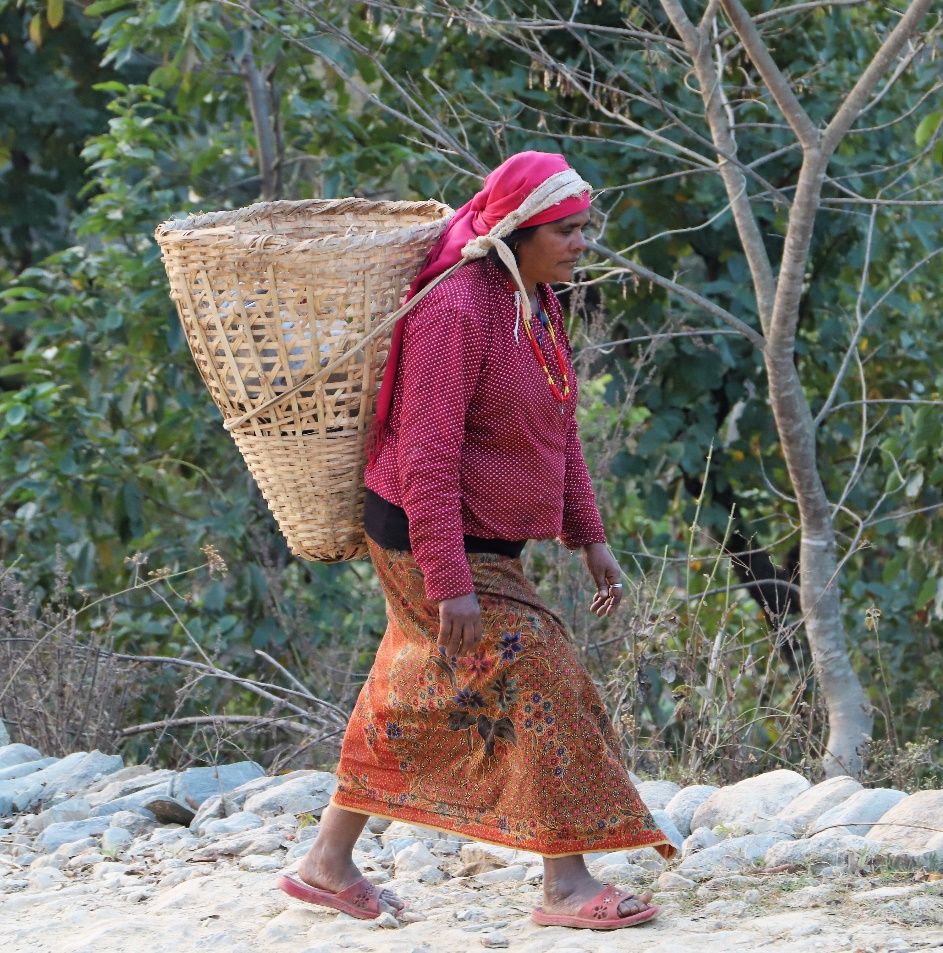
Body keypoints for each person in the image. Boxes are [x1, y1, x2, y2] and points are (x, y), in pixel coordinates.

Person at [277, 151, 674, 931]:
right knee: (543, 668)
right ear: (518, 233)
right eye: (566, 230)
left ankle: (326, 864)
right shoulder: (456, 310)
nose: (581, 242)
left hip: (485, 541)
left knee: (412, 686)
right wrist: (448, 576)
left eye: (584, 228)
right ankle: (565, 884)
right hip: (428, 533)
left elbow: (558, 426)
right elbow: (425, 453)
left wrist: (589, 534)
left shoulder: (540, 301)